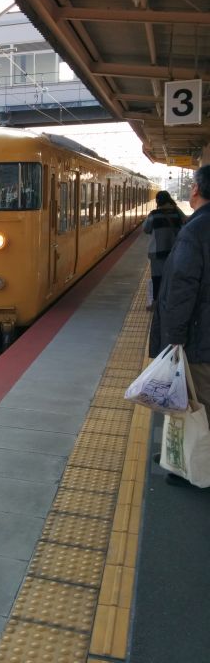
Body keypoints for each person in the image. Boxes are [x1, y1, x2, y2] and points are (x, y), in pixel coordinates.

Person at [149, 165, 210, 485]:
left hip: (200, 338)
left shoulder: (196, 231)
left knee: (196, 404)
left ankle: (191, 468)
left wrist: (173, 341)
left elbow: (182, 288)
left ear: (196, 190)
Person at [143, 190, 185, 302]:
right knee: (171, 276)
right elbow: (186, 222)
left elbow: (146, 229)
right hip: (174, 251)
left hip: (157, 252)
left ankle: (157, 301)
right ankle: (169, 299)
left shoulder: (153, 215)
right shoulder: (176, 213)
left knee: (157, 277)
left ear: (157, 201)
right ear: (169, 200)